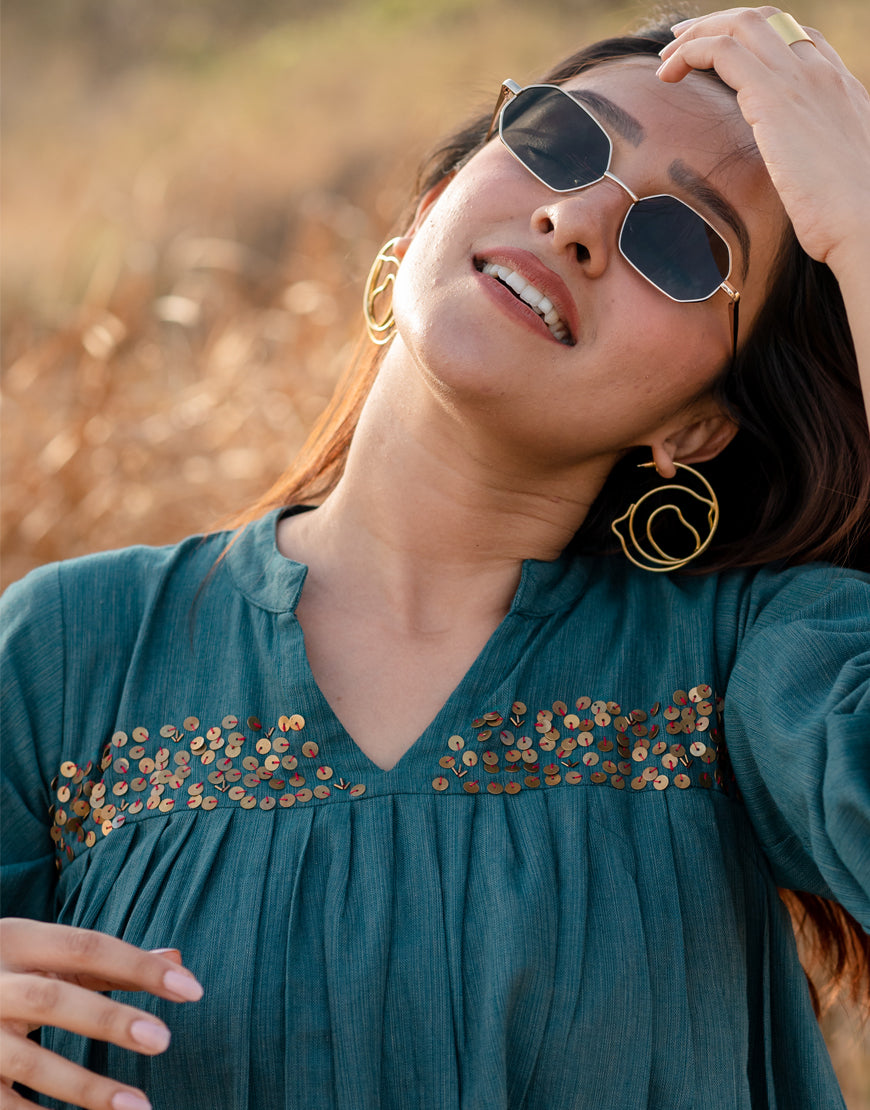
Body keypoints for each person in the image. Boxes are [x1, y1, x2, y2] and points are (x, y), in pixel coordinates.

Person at [1, 5, 868, 1108]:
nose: (577, 220)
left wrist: (865, 229)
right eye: (560, 141)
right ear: (423, 217)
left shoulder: (755, 663)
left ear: (697, 429)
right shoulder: (70, 654)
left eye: (684, 244)